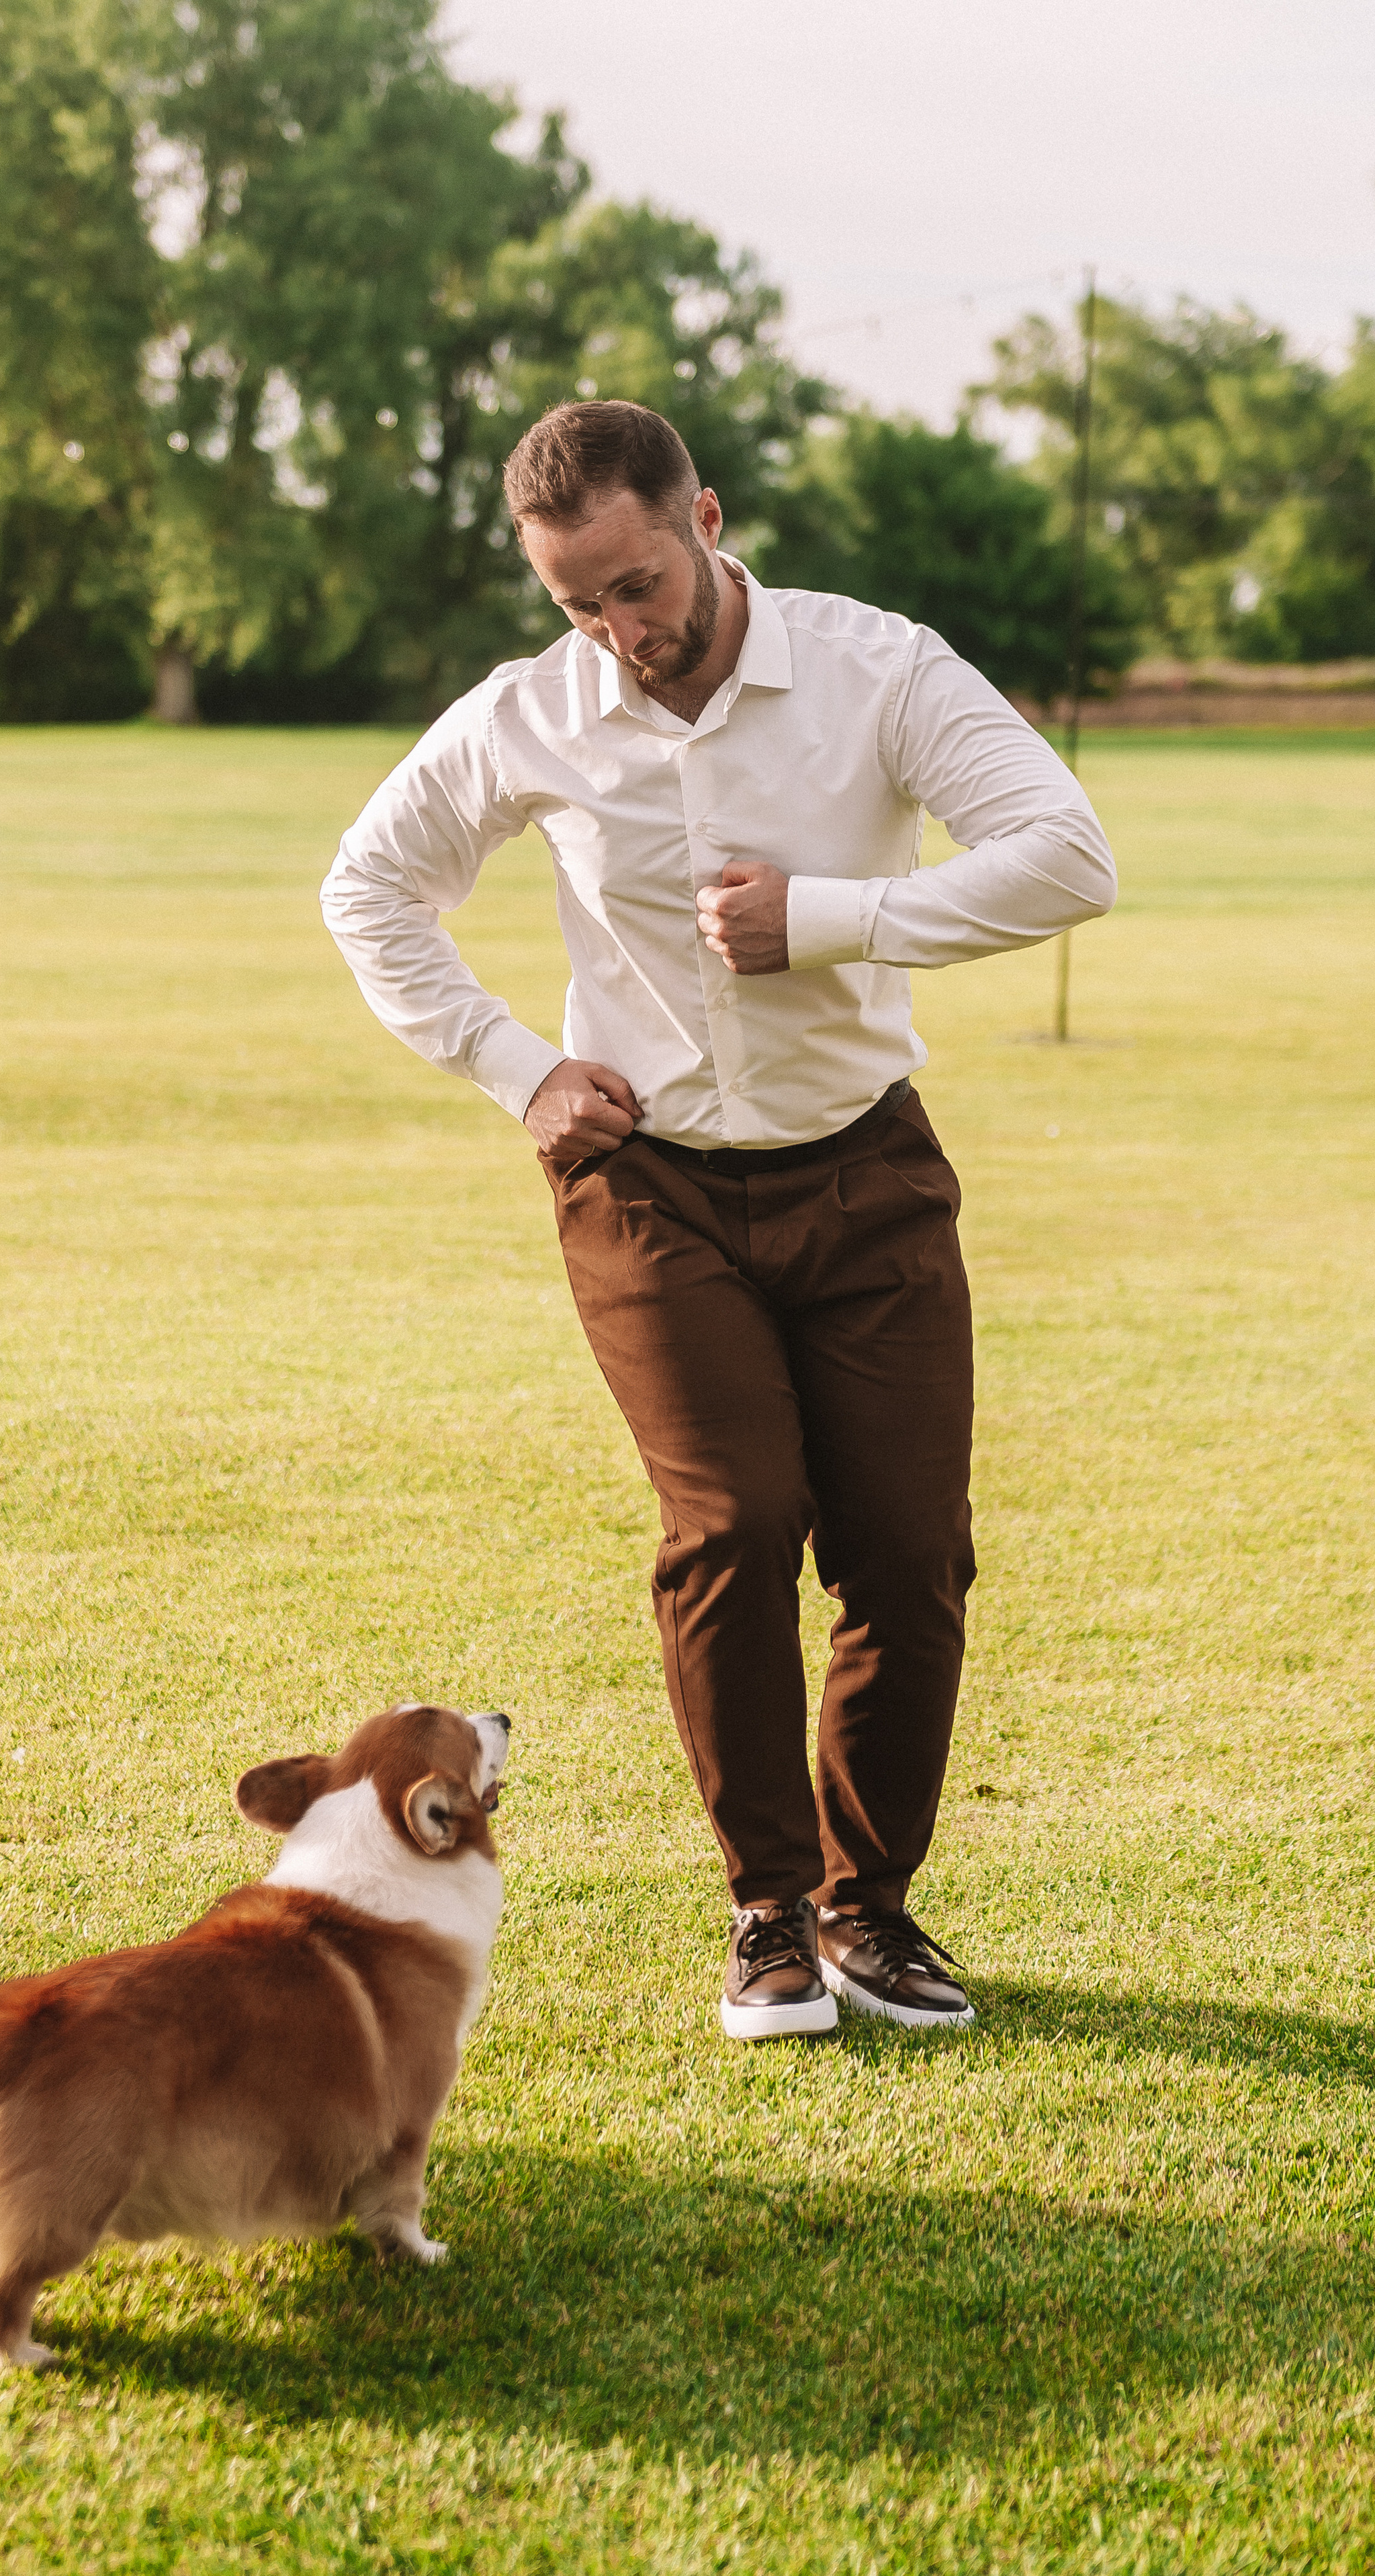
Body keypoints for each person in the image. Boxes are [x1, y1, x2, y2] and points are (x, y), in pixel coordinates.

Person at [321, 400, 1116, 2041]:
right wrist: (516, 1065)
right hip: (648, 1185)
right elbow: (369, 886)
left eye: (634, 581)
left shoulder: (875, 669)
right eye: (575, 604)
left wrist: (827, 919)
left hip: (866, 1171)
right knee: (735, 1517)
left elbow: (1064, 858)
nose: (619, 630)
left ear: (702, 513)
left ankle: (865, 1910)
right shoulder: (526, 719)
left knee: (906, 1552)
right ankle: (763, 1911)